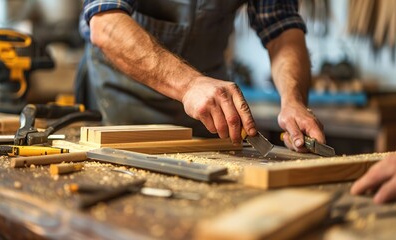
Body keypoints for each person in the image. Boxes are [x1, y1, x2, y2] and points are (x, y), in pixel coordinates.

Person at [77, 0, 325, 151]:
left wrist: (293, 100)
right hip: (119, 105)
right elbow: (105, 24)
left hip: (207, 112)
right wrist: (189, 85)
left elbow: (281, 28)